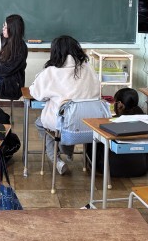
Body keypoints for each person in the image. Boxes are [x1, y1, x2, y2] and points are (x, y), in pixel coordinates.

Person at [29, 35, 100, 175]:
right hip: (89, 122)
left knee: (42, 124)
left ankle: (57, 160)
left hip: (64, 123)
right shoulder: (89, 69)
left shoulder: (52, 71)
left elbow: (36, 94)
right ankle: (67, 150)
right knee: (69, 123)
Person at [85, 87, 148, 178]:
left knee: (93, 136)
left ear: (120, 104)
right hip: (140, 168)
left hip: (111, 169)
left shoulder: (110, 122)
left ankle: (89, 164)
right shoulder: (144, 119)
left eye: (114, 102)